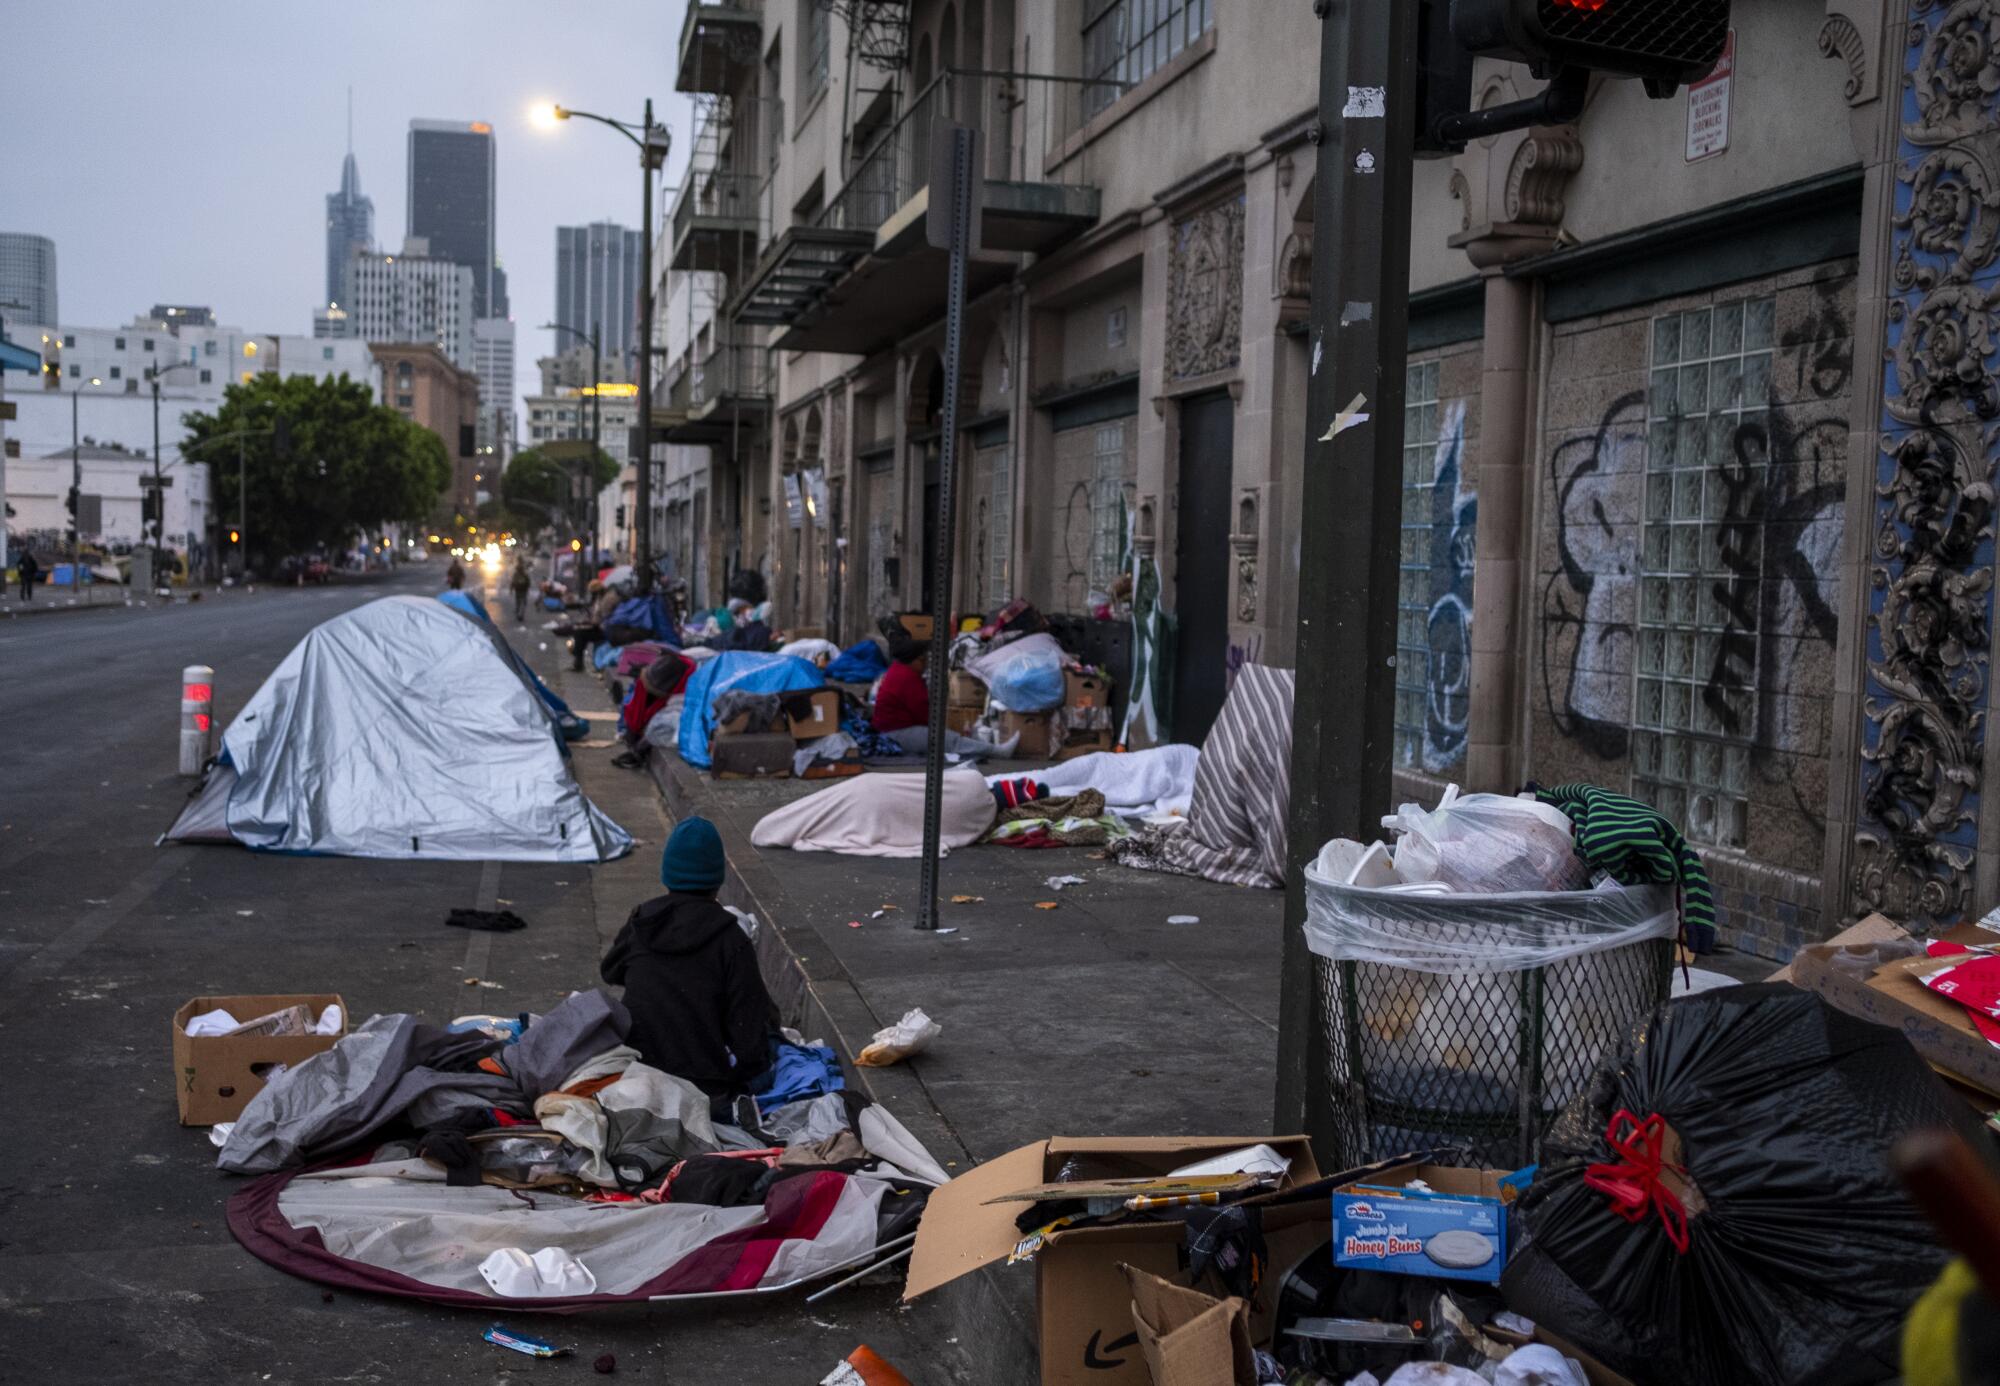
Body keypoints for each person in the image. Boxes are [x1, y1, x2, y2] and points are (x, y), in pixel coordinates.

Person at [600, 818, 777, 1100]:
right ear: (716, 881)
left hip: (640, 1070)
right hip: (706, 1084)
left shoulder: (644, 919)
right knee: (771, 1059)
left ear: (668, 875)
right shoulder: (730, 937)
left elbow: (610, 971)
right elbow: (748, 1028)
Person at [871, 631, 1018, 760]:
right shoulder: (906, 677)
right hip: (895, 734)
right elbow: (923, 714)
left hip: (891, 731)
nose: (926, 665)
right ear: (913, 660)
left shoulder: (898, 671)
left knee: (948, 738)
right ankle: (998, 752)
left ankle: (982, 746)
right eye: (923, 660)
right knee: (948, 740)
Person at [510, 554, 532, 623]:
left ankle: (518, 613)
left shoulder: (516, 574)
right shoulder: (525, 574)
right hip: (523, 590)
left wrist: (511, 589)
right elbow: (528, 582)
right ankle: (521, 615)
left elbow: (513, 582)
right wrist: (528, 589)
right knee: (523, 603)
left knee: (518, 602)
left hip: (518, 590)